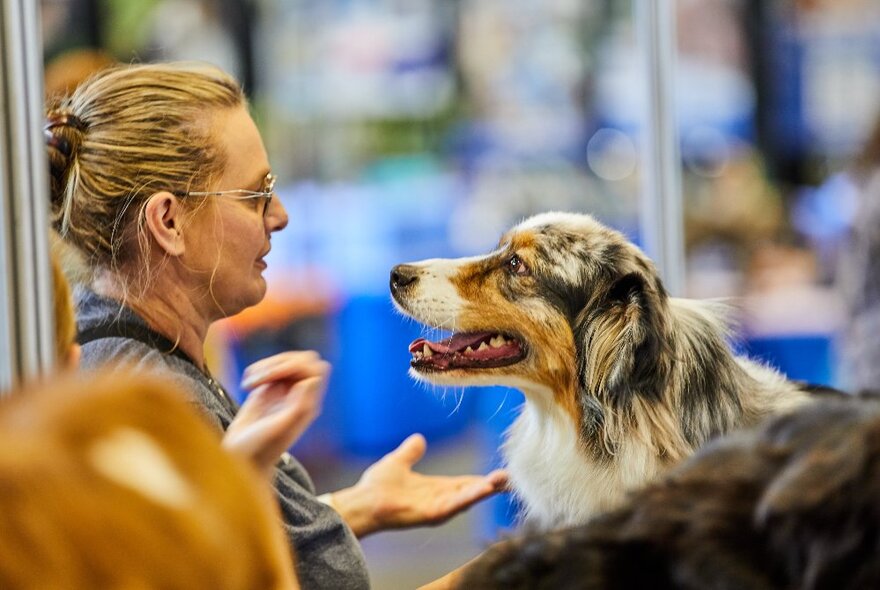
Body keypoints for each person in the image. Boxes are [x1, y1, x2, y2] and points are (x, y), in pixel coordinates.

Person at [46, 61, 507, 589]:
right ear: (168, 222)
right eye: (256, 193)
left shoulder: (141, 361)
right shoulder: (159, 408)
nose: (279, 214)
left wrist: (354, 506)